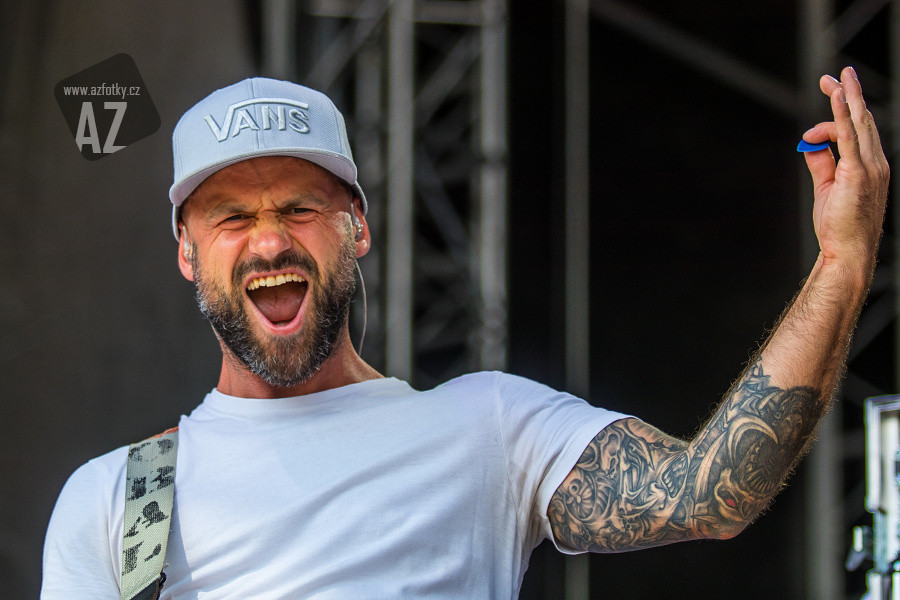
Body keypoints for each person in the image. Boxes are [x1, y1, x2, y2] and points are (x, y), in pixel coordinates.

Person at [41, 67, 888, 599]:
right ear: (187, 253)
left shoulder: (489, 427)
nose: (268, 242)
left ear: (356, 229)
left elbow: (708, 493)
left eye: (299, 208)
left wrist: (843, 263)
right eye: (232, 218)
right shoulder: (119, 499)